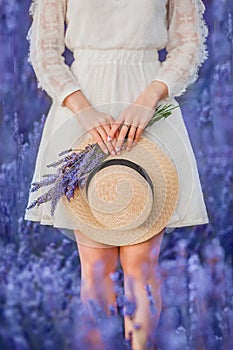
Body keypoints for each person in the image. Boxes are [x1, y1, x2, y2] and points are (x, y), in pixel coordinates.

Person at [24, 0, 210, 349]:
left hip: (147, 108)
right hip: (83, 108)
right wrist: (83, 110)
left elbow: (188, 44)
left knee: (142, 262)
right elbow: (46, 52)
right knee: (95, 266)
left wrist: (150, 98)